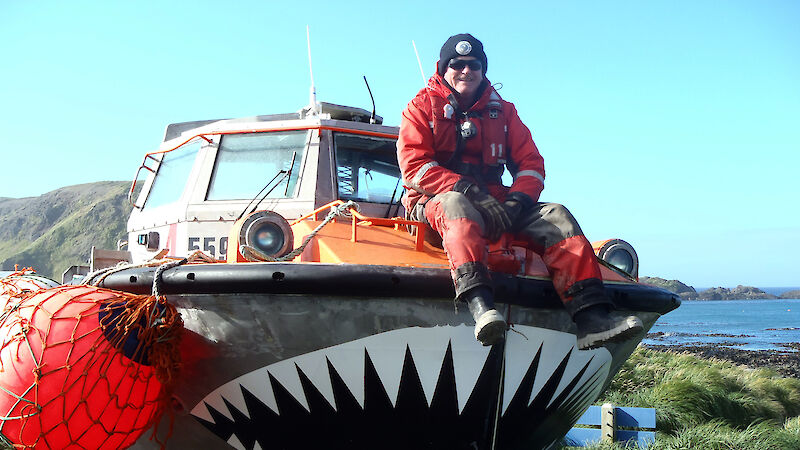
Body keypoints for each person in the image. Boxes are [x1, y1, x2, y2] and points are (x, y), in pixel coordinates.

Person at [397, 33, 643, 348]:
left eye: (474, 65)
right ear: (443, 68)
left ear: (483, 70)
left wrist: (516, 202)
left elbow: (531, 166)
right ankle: (481, 306)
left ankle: (591, 317)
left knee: (557, 216)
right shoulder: (419, 108)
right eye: (457, 64)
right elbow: (416, 167)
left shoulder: (505, 112)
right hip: (436, 201)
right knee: (457, 205)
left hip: (497, 201)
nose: (466, 71)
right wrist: (471, 192)